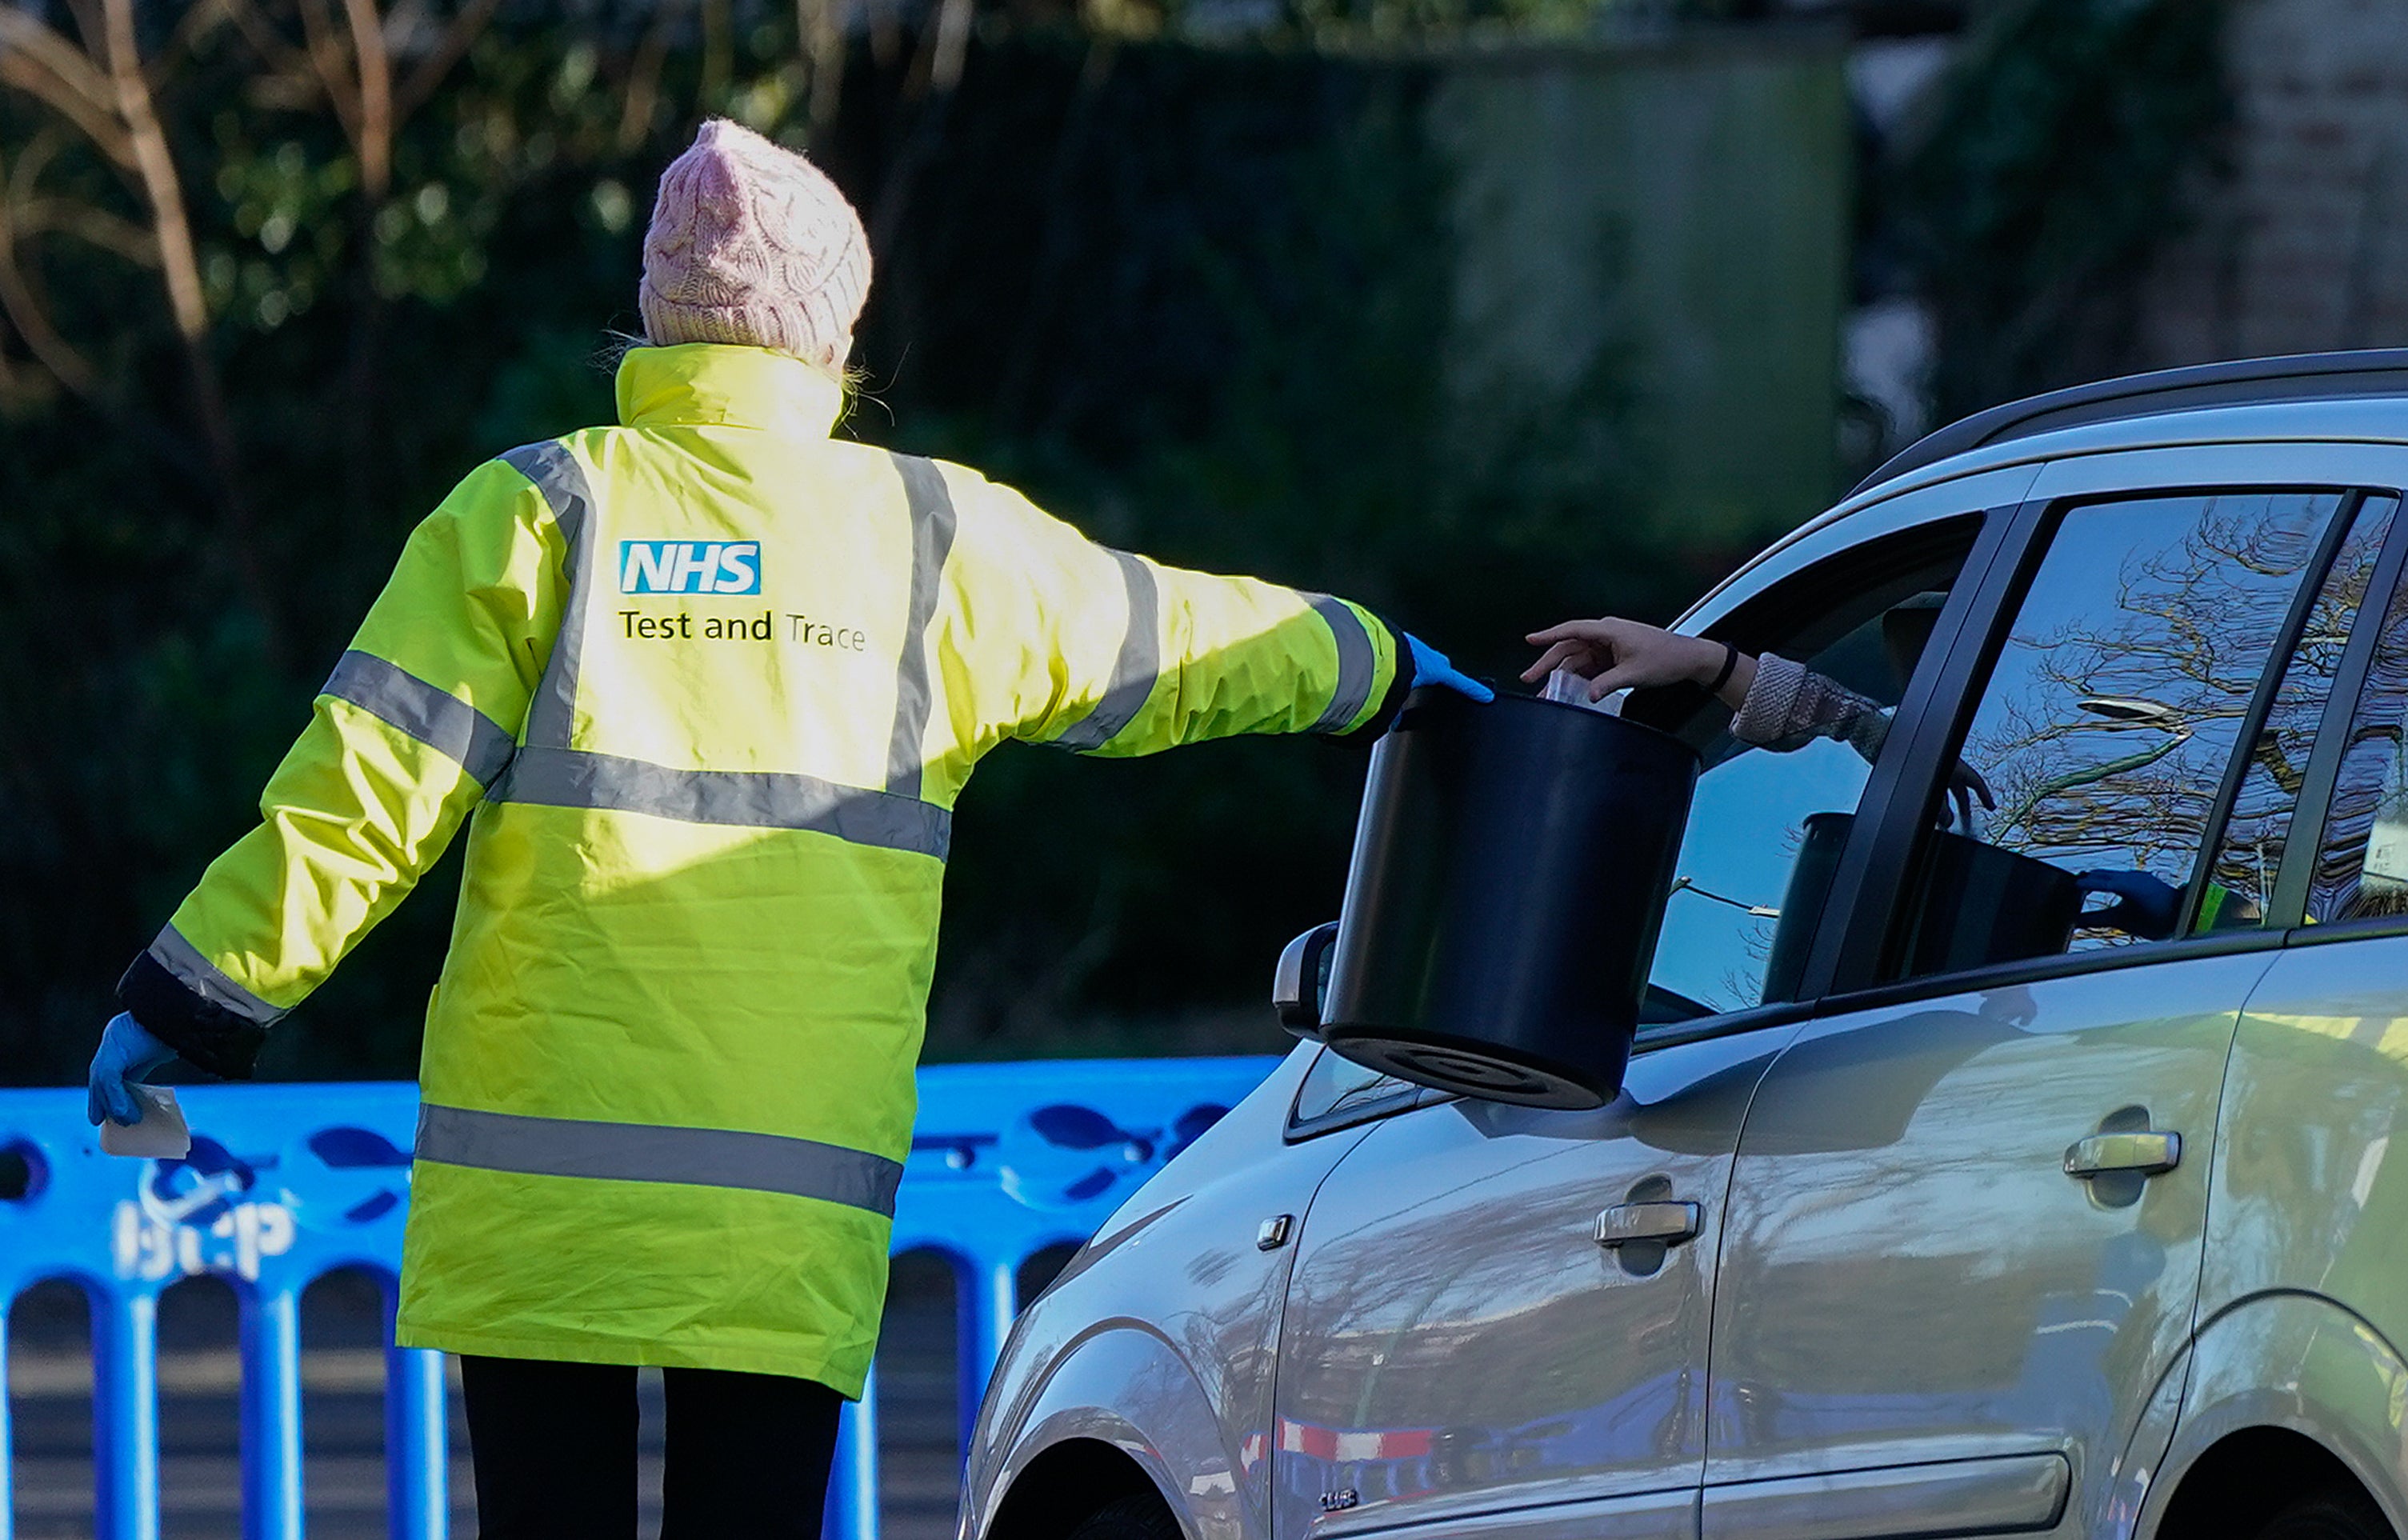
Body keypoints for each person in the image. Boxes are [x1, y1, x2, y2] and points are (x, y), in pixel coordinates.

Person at [85, 119, 1488, 1540]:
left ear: (654, 314)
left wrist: (197, 993)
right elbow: (1180, 639)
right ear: (829, 331)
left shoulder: (541, 512)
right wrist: (1378, 664)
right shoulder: (935, 538)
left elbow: (360, 794)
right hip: (782, 1210)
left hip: (538, 1206)